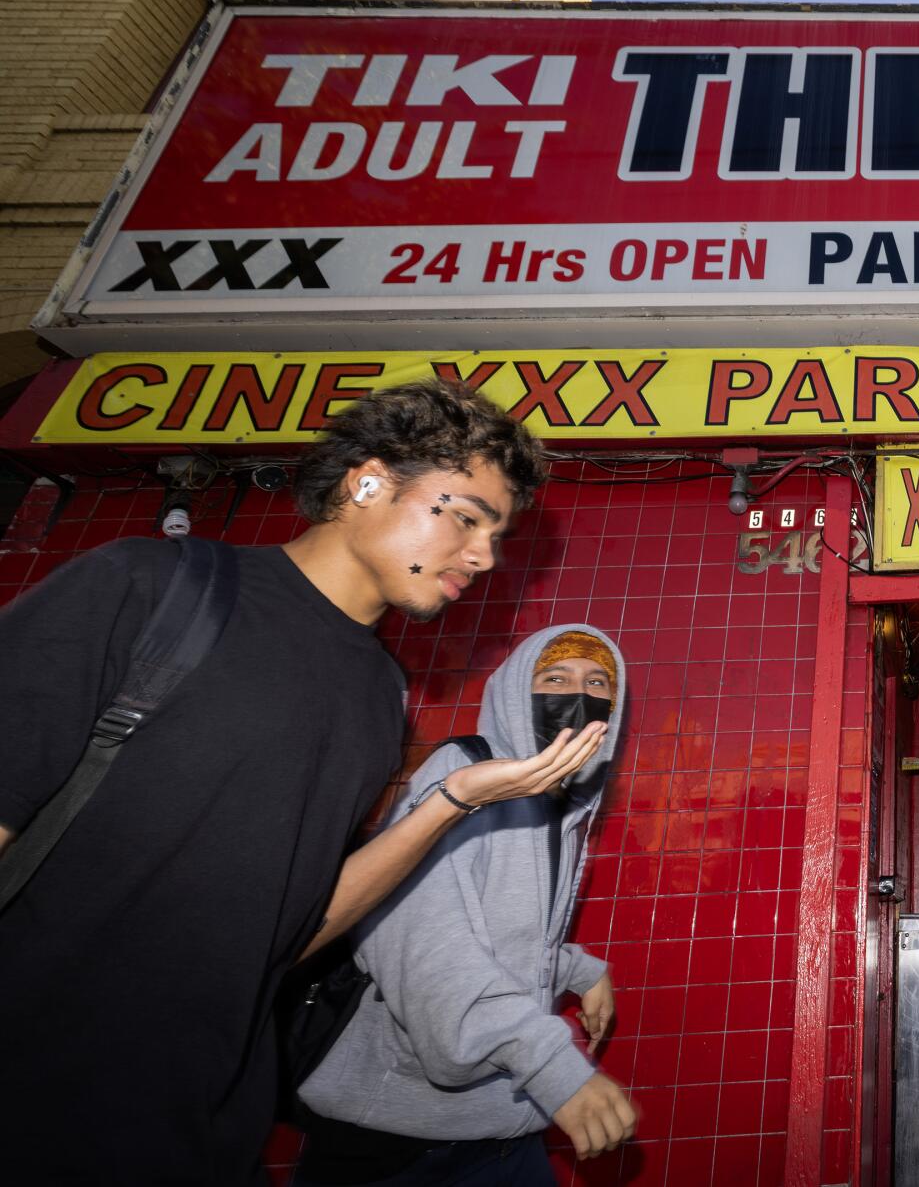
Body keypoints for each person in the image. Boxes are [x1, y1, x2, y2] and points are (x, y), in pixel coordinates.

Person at [0, 378, 607, 1185]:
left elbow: (294, 931)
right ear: (367, 481)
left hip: (201, 1128)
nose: (484, 555)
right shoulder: (154, 587)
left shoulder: (377, 699)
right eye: (465, 515)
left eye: (496, 534)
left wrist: (456, 802)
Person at [295, 625, 639, 1185]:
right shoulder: (463, 777)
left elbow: (500, 928)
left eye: (598, 682)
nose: (580, 696)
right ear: (513, 694)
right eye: (555, 677)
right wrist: (556, 1069)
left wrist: (579, 968)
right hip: (400, 1136)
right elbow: (419, 944)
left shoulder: (562, 807)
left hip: (502, 1123)